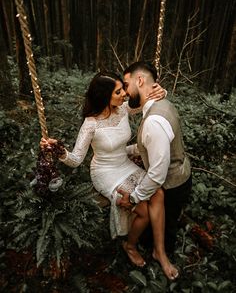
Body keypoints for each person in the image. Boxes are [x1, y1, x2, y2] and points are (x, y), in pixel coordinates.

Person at [40, 71, 179, 280]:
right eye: (118, 91)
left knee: (158, 192)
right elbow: (76, 159)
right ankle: (129, 245)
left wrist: (161, 91)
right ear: (104, 96)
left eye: (123, 88)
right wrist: (59, 151)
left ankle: (159, 251)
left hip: (125, 164)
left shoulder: (123, 109)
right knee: (142, 210)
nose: (124, 93)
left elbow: (148, 103)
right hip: (105, 172)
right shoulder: (91, 124)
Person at [118, 61, 192, 255]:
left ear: (140, 80)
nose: (125, 92)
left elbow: (158, 174)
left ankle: (160, 260)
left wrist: (134, 198)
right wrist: (124, 151)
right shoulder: (162, 103)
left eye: (126, 85)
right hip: (181, 174)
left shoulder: (154, 121)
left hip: (172, 185)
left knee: (164, 231)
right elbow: (149, 145)